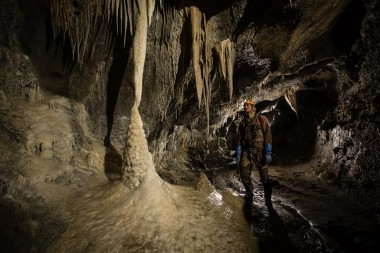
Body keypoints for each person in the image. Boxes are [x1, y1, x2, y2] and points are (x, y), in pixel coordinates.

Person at [235, 99, 273, 207]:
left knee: (264, 177)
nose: (245, 107)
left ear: (253, 107)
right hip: (247, 150)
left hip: (260, 151)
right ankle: (249, 192)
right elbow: (239, 139)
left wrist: (268, 152)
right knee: (243, 172)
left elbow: (268, 136)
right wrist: (238, 153)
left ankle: (268, 197)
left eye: (248, 105)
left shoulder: (262, 119)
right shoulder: (242, 122)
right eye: (245, 105)